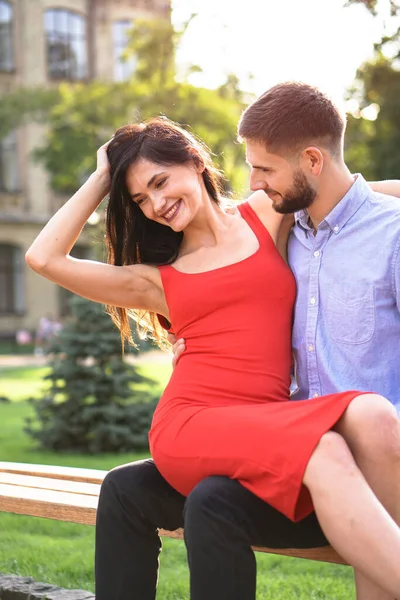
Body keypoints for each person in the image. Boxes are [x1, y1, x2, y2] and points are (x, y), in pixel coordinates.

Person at [25, 92, 400, 600]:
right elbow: (44, 258)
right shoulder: (160, 280)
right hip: (192, 422)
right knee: (328, 447)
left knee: (372, 415)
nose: (155, 204)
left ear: (194, 163)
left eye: (159, 182)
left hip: (265, 424)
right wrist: (101, 177)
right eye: (140, 199)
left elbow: (347, 193)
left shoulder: (265, 215)